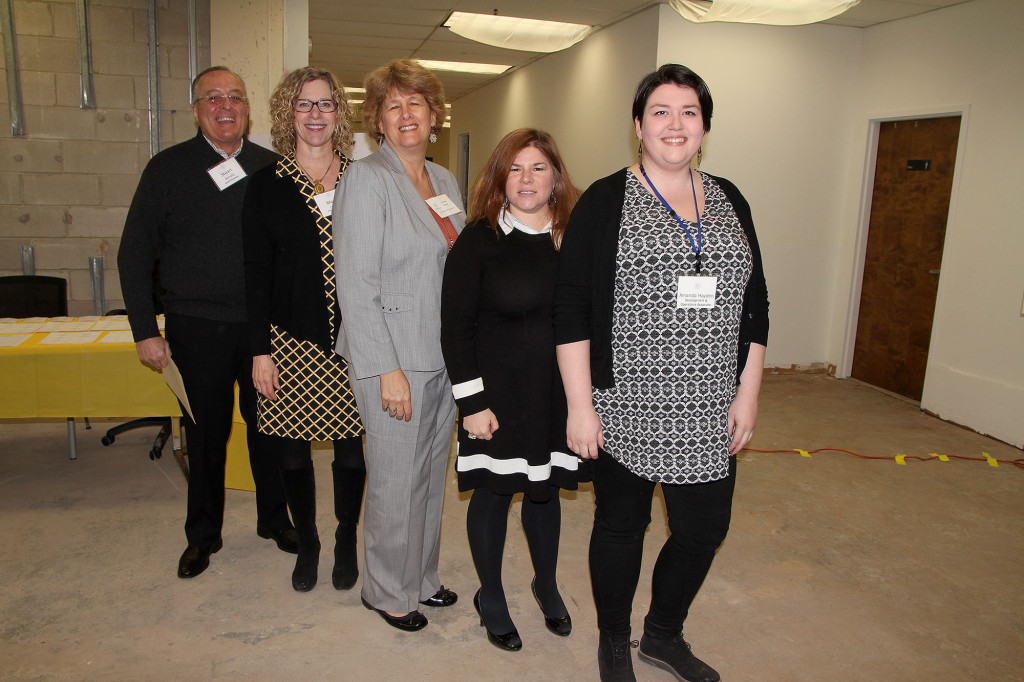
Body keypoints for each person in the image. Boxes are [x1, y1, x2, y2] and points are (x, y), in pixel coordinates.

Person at [554, 64, 769, 682]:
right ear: (638, 126)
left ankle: (663, 634)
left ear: (704, 126)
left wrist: (748, 395)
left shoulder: (730, 198)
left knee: (705, 529)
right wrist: (580, 405)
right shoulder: (605, 199)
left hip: (709, 404)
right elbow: (571, 309)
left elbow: (754, 304)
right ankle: (615, 639)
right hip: (627, 401)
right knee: (622, 526)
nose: (675, 125)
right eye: (661, 112)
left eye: (689, 113)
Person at [118, 66, 297, 579]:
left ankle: (274, 519)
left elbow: (293, 251)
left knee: (272, 429)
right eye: (213, 98)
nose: (225, 106)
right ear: (195, 109)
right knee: (204, 434)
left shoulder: (273, 168)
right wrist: (144, 330)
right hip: (196, 328)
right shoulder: (168, 169)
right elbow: (133, 254)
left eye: (235, 97)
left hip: (265, 330)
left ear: (248, 108)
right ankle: (203, 536)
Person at [440, 129, 587, 652]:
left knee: (543, 491)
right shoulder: (479, 240)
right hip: (495, 398)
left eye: (539, 168)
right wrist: (471, 404)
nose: (527, 180)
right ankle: (492, 596)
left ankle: (545, 585)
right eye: (516, 168)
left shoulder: (575, 238)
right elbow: (454, 330)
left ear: (556, 177)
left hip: (554, 395)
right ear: (500, 177)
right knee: (494, 493)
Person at [333, 59, 463, 632]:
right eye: (393, 106)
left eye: (416, 104)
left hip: (442, 356)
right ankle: (386, 590)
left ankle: (422, 577)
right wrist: (386, 370)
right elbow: (355, 284)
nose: (406, 114)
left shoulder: (447, 181)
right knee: (392, 477)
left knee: (431, 474)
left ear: (434, 116)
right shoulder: (366, 179)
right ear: (377, 122)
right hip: (390, 357)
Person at [242, 67, 365, 593]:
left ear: (339, 113)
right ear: (288, 113)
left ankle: (343, 538)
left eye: (325, 104)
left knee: (352, 453)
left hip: (357, 340)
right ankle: (309, 541)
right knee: (291, 453)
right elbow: (254, 275)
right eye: (304, 104)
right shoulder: (266, 185)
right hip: (289, 340)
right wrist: (259, 351)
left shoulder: (363, 178)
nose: (315, 114)